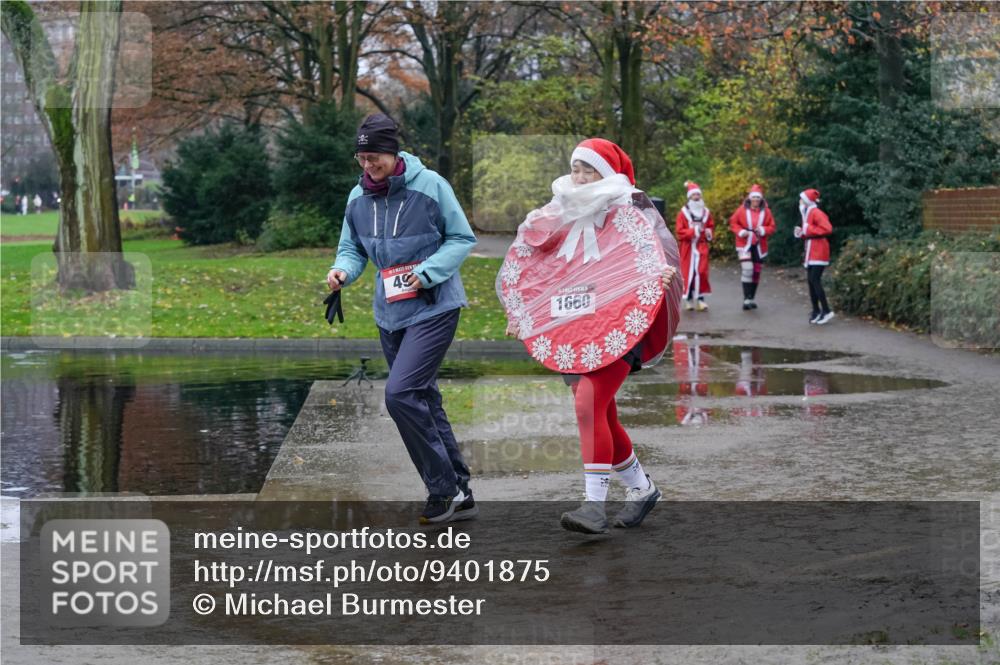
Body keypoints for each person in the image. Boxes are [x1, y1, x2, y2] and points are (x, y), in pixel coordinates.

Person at [497, 138, 682, 534]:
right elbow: (540, 270)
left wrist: (659, 275)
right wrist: (524, 312)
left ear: (606, 174)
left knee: (587, 404)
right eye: (576, 168)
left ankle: (593, 506)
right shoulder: (556, 212)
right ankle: (642, 489)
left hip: (619, 324)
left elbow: (651, 255)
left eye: (589, 170)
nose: (579, 177)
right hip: (572, 329)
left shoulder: (628, 210)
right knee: (602, 414)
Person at [326, 113, 478, 524]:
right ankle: (461, 491)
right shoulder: (357, 197)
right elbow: (352, 248)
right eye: (361, 157)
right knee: (423, 397)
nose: (367, 165)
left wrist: (427, 272)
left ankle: (441, 488)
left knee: (400, 395)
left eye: (374, 156)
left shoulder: (431, 186)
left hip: (434, 305)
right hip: (389, 312)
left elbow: (462, 237)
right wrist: (343, 271)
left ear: (393, 152)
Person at [728, 184, 776, 310]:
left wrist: (763, 229)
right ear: (750, 198)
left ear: (761, 199)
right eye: (753, 198)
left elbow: (772, 227)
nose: (756, 200)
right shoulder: (742, 210)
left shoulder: (766, 211)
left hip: (759, 246)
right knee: (747, 269)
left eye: (758, 198)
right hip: (744, 244)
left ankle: (751, 298)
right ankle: (746, 299)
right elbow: (733, 222)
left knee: (756, 272)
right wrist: (741, 231)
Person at [794, 189, 834, 324]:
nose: (799, 201)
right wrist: (801, 232)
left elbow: (827, 229)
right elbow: (810, 231)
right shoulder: (808, 213)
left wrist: (807, 229)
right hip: (811, 250)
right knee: (811, 282)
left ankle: (826, 310)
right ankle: (816, 310)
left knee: (814, 280)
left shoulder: (816, 212)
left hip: (819, 250)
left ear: (806, 201)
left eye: (801, 199)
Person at [675, 181, 713, 311]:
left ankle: (701, 299)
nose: (696, 197)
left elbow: (710, 226)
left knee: (701, 272)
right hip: (688, 248)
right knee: (688, 273)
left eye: (698, 195)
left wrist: (708, 232)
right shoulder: (683, 213)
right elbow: (679, 232)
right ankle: (690, 299)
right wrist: (694, 230)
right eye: (694, 195)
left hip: (702, 246)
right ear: (689, 197)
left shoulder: (706, 212)